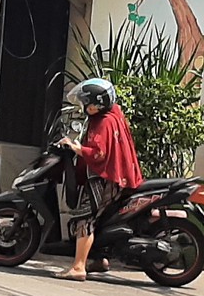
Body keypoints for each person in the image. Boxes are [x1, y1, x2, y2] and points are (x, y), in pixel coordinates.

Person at [54, 78, 143, 281]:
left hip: (104, 178)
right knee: (100, 219)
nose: (85, 106)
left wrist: (76, 147)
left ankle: (78, 267)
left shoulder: (103, 122)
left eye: (87, 102)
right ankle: (99, 259)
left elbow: (98, 154)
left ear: (97, 104)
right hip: (115, 176)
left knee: (84, 218)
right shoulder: (113, 114)